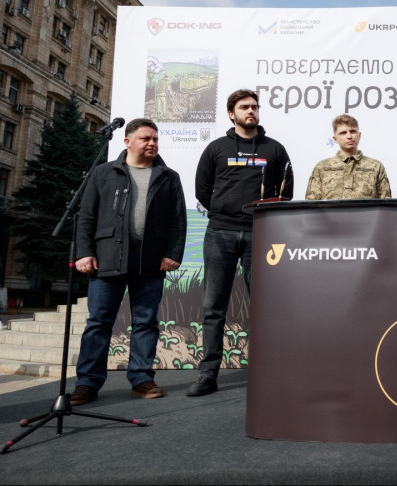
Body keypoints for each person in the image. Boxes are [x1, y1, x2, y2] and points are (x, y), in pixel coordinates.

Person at [71, 118, 186, 405]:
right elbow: (86, 216)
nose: (152, 143)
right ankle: (87, 383)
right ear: (127, 141)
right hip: (107, 257)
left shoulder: (168, 177)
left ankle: (141, 379)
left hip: (150, 261)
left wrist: (173, 253)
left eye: (155, 139)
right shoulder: (103, 173)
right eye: (146, 138)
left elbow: (178, 220)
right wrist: (84, 252)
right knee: (98, 322)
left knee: (146, 321)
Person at [188, 88, 293, 397]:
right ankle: (208, 374)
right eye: (245, 107)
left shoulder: (275, 149)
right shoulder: (216, 148)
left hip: (260, 233)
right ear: (231, 113)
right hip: (219, 233)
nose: (251, 111)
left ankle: (270, 372)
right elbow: (202, 189)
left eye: (255, 106)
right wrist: (224, 209)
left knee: (264, 306)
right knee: (213, 308)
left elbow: (285, 191)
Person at [305, 114, 391, 200]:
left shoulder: (375, 166)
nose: (349, 136)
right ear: (335, 139)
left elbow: (385, 203)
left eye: (353, 131)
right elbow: (311, 203)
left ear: (359, 135)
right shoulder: (322, 167)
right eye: (343, 133)